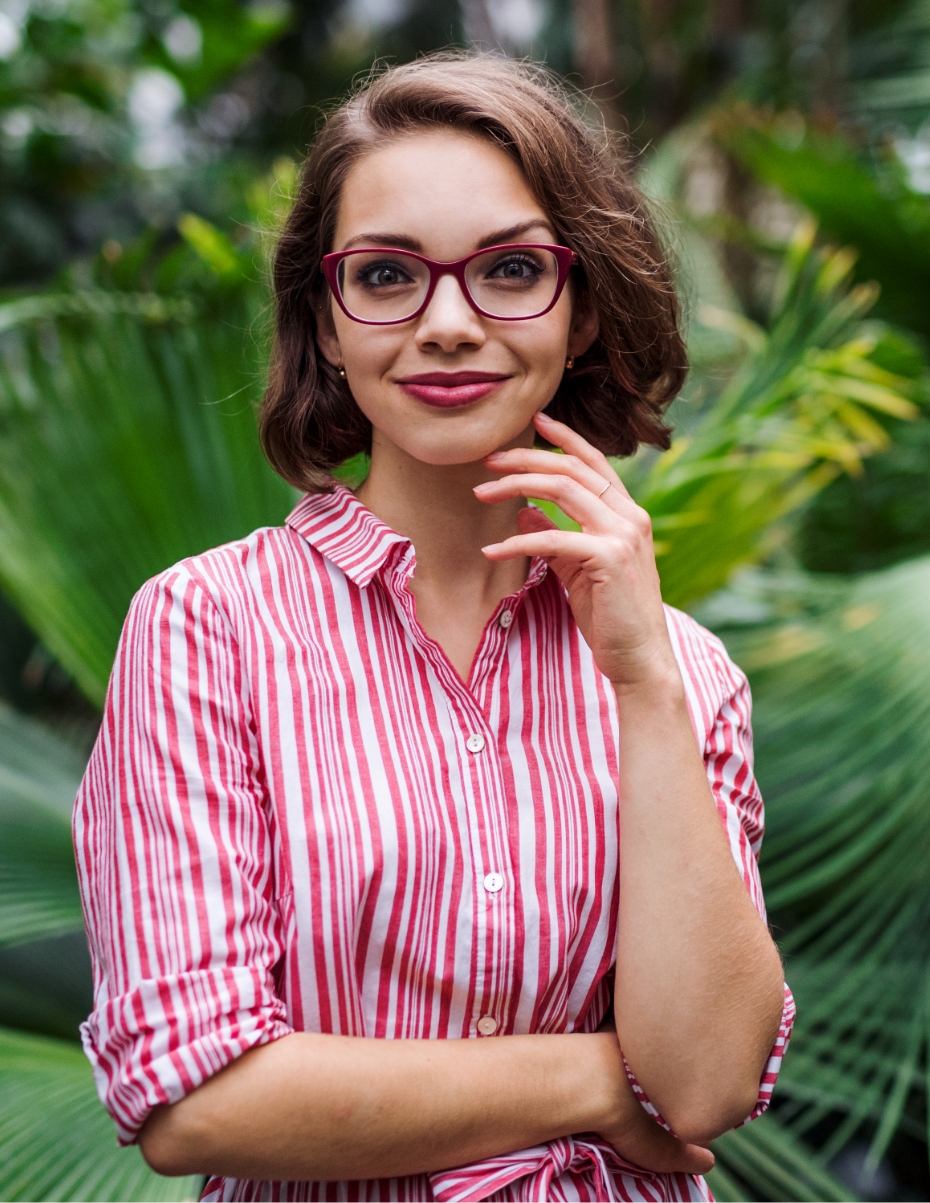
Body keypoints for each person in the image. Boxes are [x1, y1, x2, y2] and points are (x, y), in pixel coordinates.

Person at [74, 54, 793, 1203]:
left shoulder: (683, 670)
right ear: (326, 311)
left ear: (585, 305)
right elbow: (195, 1098)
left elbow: (706, 1087)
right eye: (388, 275)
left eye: (511, 269)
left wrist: (644, 679)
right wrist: (600, 1082)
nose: (450, 323)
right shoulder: (206, 628)